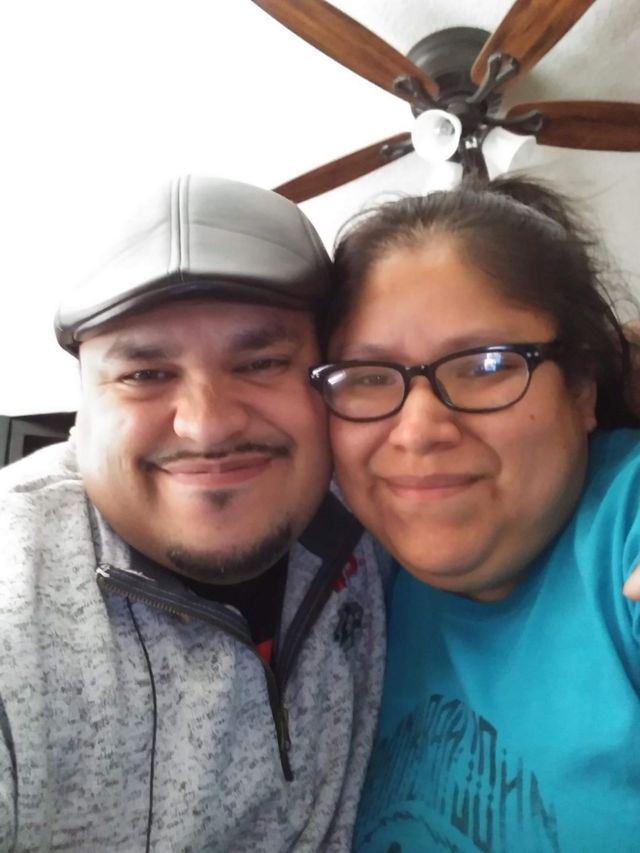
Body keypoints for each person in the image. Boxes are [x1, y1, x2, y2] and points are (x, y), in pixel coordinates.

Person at [0, 175, 386, 852]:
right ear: (82, 404)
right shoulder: (16, 586)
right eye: (145, 374)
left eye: (262, 361)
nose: (208, 425)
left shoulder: (383, 504)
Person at [309, 176, 640, 852]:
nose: (418, 430)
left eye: (488, 364)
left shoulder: (622, 527)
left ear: (582, 388)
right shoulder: (351, 574)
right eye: (367, 377)